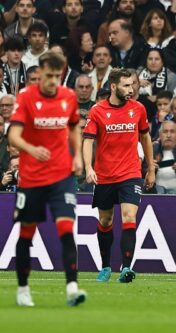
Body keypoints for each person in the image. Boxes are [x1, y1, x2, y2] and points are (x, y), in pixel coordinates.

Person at [8, 51, 86, 306]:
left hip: (61, 174)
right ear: (40, 72)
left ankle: (72, 288)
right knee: (26, 233)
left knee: (66, 229)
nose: (53, 81)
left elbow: (74, 125)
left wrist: (77, 157)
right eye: (49, 75)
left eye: (57, 76)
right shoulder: (26, 97)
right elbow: (14, 136)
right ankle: (22, 289)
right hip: (31, 178)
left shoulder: (68, 97)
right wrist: (31, 150)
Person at [82, 68, 155, 283]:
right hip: (104, 175)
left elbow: (145, 138)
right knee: (105, 220)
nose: (131, 89)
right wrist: (88, 167)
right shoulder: (97, 111)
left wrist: (150, 168)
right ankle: (105, 266)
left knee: (129, 217)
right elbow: (87, 140)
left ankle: (126, 267)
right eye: (126, 85)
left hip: (130, 172)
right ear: (113, 86)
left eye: (132, 84)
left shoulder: (139, 109)